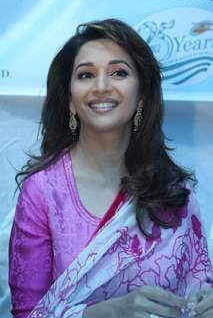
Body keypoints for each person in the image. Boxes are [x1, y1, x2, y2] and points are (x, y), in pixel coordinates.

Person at [9, 19, 213, 318]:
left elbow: (200, 288)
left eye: (118, 72)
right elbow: (26, 314)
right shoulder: (44, 191)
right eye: (86, 74)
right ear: (69, 97)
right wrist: (107, 313)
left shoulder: (173, 190)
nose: (102, 86)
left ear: (141, 93)